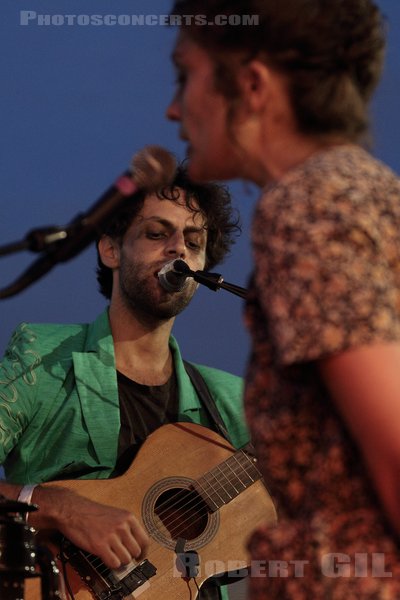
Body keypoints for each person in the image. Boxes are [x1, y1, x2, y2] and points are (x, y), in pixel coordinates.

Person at [166, 0, 400, 597]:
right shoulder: (365, 193)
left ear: (250, 84)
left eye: (185, 74)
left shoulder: (308, 210)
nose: (174, 108)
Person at [0, 158, 249, 600]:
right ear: (110, 250)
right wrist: (59, 507)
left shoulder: (231, 399)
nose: (179, 250)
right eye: (157, 234)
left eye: (194, 241)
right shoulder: (43, 357)